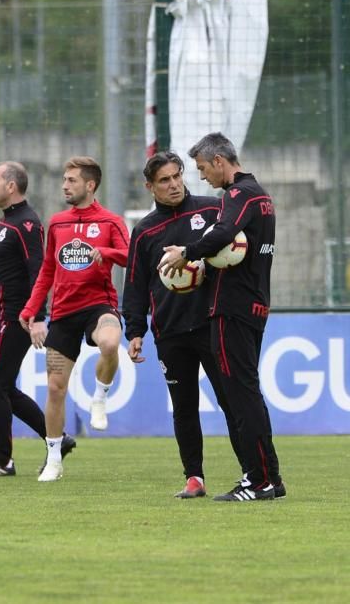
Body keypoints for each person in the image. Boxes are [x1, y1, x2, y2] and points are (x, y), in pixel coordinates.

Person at [159, 133, 283, 502]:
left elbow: (225, 232)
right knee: (245, 394)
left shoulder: (238, 195)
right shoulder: (261, 196)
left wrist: (188, 252)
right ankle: (268, 478)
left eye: (201, 169)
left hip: (233, 307)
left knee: (239, 396)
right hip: (254, 304)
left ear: (219, 161)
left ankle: (258, 481)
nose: (201, 178)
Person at [122, 151, 246, 498]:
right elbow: (134, 285)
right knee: (184, 406)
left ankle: (251, 472)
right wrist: (134, 331)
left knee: (231, 401)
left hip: (212, 324)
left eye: (177, 176)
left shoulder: (211, 209)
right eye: (165, 180)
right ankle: (194, 478)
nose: (174, 184)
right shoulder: (145, 231)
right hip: (171, 331)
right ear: (150, 186)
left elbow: (236, 250)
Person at [19, 156, 129, 482]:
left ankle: (99, 397)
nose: (65, 185)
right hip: (63, 312)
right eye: (64, 179)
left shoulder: (110, 222)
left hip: (99, 305)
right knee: (55, 388)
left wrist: (106, 253)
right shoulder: (57, 223)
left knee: (110, 343)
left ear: (90, 185)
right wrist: (31, 310)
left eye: (71, 180)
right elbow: (48, 271)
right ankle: (53, 458)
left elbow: (131, 255)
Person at [0, 162, 75, 477]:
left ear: (11, 186)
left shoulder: (27, 223)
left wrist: (37, 315)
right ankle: (57, 438)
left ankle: (3, 461)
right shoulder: (5, 224)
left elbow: (38, 270)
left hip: (14, 317)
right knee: (3, 387)